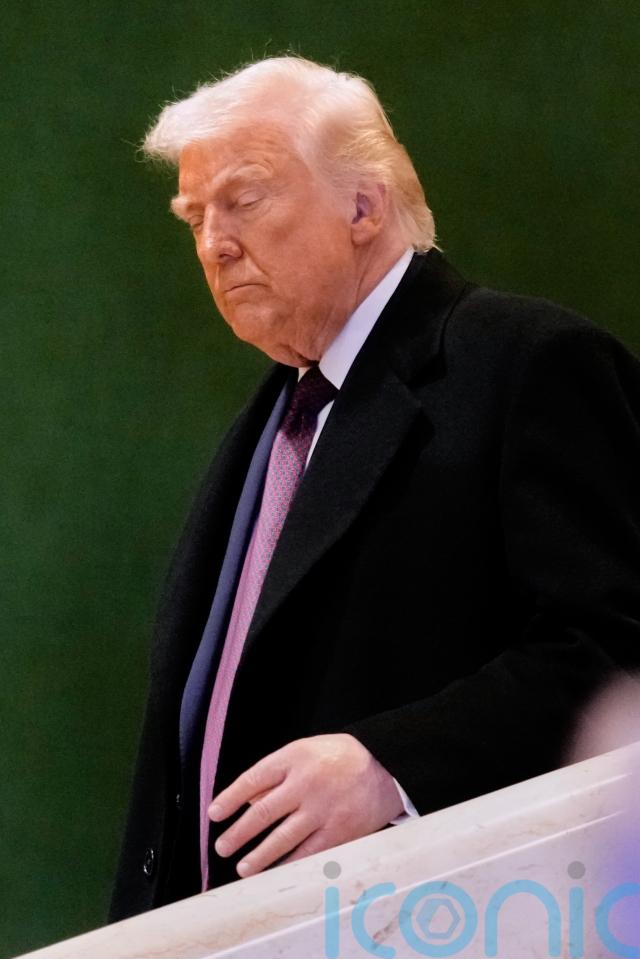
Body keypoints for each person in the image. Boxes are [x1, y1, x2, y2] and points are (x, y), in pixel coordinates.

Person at [109, 55, 640, 922]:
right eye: (194, 217)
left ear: (363, 205)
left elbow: (616, 649)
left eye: (244, 199)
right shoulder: (277, 417)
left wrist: (392, 766)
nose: (214, 244)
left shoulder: (531, 362)